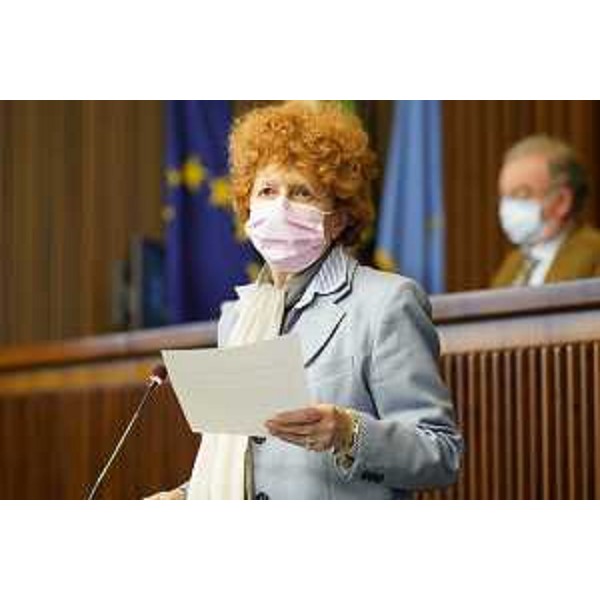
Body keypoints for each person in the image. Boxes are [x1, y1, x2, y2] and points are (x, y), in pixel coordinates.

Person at [148, 101, 462, 500]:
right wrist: (183, 497)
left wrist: (349, 433)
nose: (280, 206)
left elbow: (441, 454)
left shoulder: (386, 303)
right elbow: (240, 461)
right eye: (267, 191)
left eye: (301, 192)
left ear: (339, 217)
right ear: (247, 208)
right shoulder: (238, 316)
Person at [492, 134, 600, 287]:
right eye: (505, 197)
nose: (508, 207)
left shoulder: (594, 255)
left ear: (562, 201)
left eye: (521, 195)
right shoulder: (513, 263)